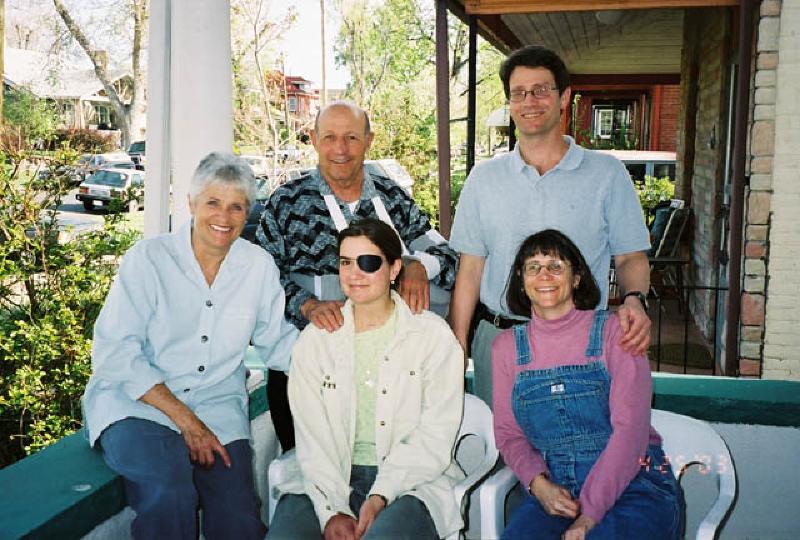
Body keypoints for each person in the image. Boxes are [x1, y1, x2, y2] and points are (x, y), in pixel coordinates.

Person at [82, 152, 298, 540]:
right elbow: (116, 352)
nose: (224, 216)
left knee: (239, 515)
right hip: (138, 405)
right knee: (170, 492)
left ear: (248, 212)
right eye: (213, 202)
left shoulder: (258, 266)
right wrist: (187, 422)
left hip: (217, 405)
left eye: (237, 206)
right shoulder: (148, 260)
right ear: (191, 204)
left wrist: (349, 359)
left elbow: (278, 342)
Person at [449, 45, 652, 406]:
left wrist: (635, 299)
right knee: (501, 454)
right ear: (510, 103)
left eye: (542, 90)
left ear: (564, 97)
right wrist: (458, 345)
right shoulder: (484, 179)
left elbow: (630, 257)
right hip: (498, 341)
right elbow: (470, 271)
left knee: (581, 451)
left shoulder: (606, 174)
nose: (530, 101)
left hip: (581, 342)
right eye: (519, 93)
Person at [257, 100, 458, 451]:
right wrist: (307, 305)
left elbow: (448, 257)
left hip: (384, 378)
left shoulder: (391, 198)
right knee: (313, 475)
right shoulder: (286, 202)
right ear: (314, 139)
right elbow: (260, 278)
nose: (340, 149)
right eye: (330, 137)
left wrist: (415, 265)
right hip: (307, 368)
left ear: (369, 140)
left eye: (351, 137)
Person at [267, 219, 465, 540]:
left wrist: (380, 494)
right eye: (345, 263)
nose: (354, 273)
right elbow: (312, 438)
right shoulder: (316, 341)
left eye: (368, 263)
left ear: (394, 269)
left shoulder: (432, 337)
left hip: (413, 479)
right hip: (328, 477)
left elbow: (434, 436)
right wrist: (332, 509)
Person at [493, 229, 682, 540]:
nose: (544, 274)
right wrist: (539, 486)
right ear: (521, 280)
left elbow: (630, 433)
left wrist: (590, 515)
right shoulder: (506, 348)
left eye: (556, 266)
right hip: (555, 488)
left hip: (634, 482)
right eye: (533, 266)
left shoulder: (615, 332)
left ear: (577, 278)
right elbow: (509, 435)